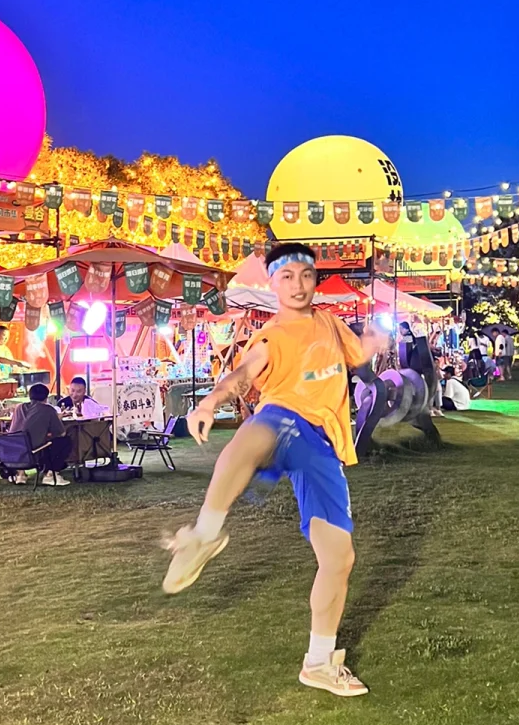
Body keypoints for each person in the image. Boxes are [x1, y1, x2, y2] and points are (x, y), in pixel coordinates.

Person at [162, 241, 389, 698]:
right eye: (287, 277)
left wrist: (374, 341)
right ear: (273, 284)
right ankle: (203, 535)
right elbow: (243, 373)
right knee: (257, 434)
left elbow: (355, 355)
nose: (298, 285)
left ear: (315, 279)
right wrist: (210, 401)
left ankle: (319, 662)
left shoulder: (330, 323)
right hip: (285, 419)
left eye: (306, 275)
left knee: (339, 558)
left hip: (321, 447)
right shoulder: (271, 336)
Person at [8, 382, 72, 475]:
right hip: (32, 454)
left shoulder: (19, 407)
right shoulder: (48, 409)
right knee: (64, 441)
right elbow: (61, 433)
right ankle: (51, 474)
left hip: (12, 453)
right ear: (46, 397)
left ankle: (21, 474)